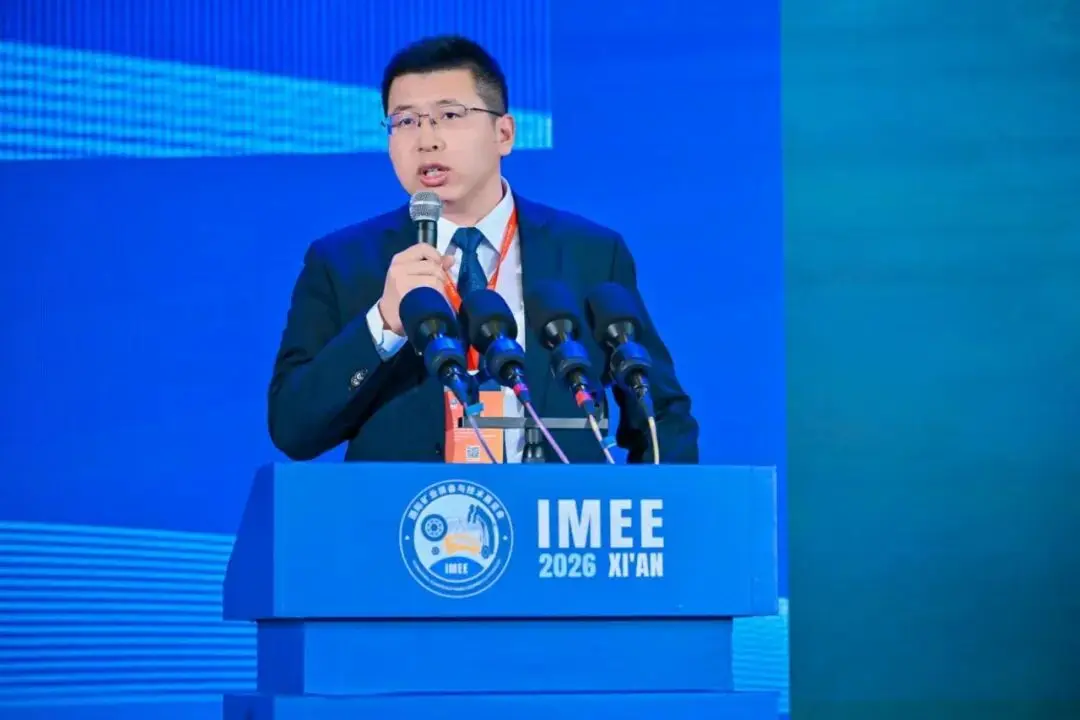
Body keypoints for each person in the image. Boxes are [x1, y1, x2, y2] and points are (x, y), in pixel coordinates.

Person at [267, 35, 698, 464]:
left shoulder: (590, 253)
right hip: (404, 509)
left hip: (551, 506)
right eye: (405, 121)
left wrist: (658, 505)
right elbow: (293, 430)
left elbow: (660, 415)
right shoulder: (342, 262)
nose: (426, 140)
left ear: (504, 133)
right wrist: (383, 324)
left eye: (449, 115)